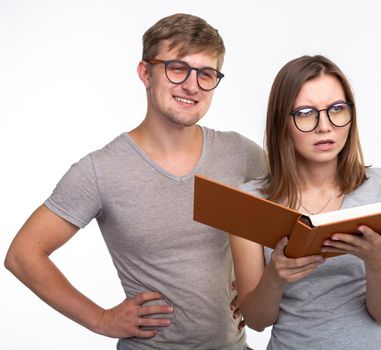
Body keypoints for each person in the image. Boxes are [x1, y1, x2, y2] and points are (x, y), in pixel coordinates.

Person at [4, 13, 266, 350]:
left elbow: (293, 216)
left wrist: (259, 291)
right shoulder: (101, 170)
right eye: (177, 68)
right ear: (146, 73)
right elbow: (23, 255)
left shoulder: (240, 154)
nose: (192, 85)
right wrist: (101, 319)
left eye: (206, 73)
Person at [229, 55, 381, 349]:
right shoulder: (249, 202)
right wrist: (275, 276)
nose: (324, 126)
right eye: (305, 113)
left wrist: (377, 262)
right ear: (281, 122)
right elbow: (257, 321)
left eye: (337, 109)